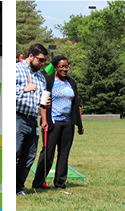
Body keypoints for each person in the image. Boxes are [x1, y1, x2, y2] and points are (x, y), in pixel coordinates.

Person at [32, 55, 84, 194]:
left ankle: (60, 183)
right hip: (52, 123)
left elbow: (76, 103)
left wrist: (79, 124)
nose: (65, 69)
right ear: (55, 67)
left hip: (68, 124)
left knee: (64, 154)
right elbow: (43, 103)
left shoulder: (71, 82)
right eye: (61, 66)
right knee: (47, 153)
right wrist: (44, 121)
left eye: (66, 66)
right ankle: (38, 183)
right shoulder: (48, 80)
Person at [16, 44, 48, 195]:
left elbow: (41, 99)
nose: (42, 64)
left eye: (44, 61)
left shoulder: (41, 77)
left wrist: (45, 105)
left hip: (33, 120)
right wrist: (23, 88)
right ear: (31, 56)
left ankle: (18, 188)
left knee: (29, 157)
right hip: (17, 118)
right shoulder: (15, 69)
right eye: (40, 60)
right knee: (14, 152)